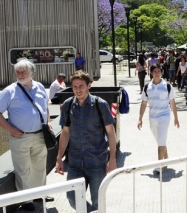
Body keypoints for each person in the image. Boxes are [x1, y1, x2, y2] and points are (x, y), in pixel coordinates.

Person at [56, 71, 117, 211]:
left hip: (97, 162)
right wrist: (59, 157)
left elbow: (111, 133)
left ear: (89, 85)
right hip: (75, 162)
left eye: (81, 86)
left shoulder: (100, 104)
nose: (78, 90)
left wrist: (112, 159)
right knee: (72, 197)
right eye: (75, 86)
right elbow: (65, 133)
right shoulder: (67, 105)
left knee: (98, 200)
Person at [0, 61, 53, 211]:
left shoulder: (40, 87)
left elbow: (45, 107)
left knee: (39, 166)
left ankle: (40, 193)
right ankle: (26, 199)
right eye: (18, 72)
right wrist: (10, 129)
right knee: (22, 169)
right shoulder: (9, 91)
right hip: (20, 136)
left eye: (23, 72)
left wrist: (48, 121)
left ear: (32, 73)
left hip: (40, 135)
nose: (20, 75)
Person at [138, 64, 180, 172]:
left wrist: (176, 117)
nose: (157, 73)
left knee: (161, 139)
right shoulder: (147, 87)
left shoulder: (167, 86)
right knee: (160, 140)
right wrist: (140, 118)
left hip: (164, 116)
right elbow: (143, 103)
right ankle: (166, 158)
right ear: (151, 73)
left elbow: (172, 102)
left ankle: (158, 165)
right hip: (152, 117)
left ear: (161, 72)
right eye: (154, 71)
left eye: (158, 71)